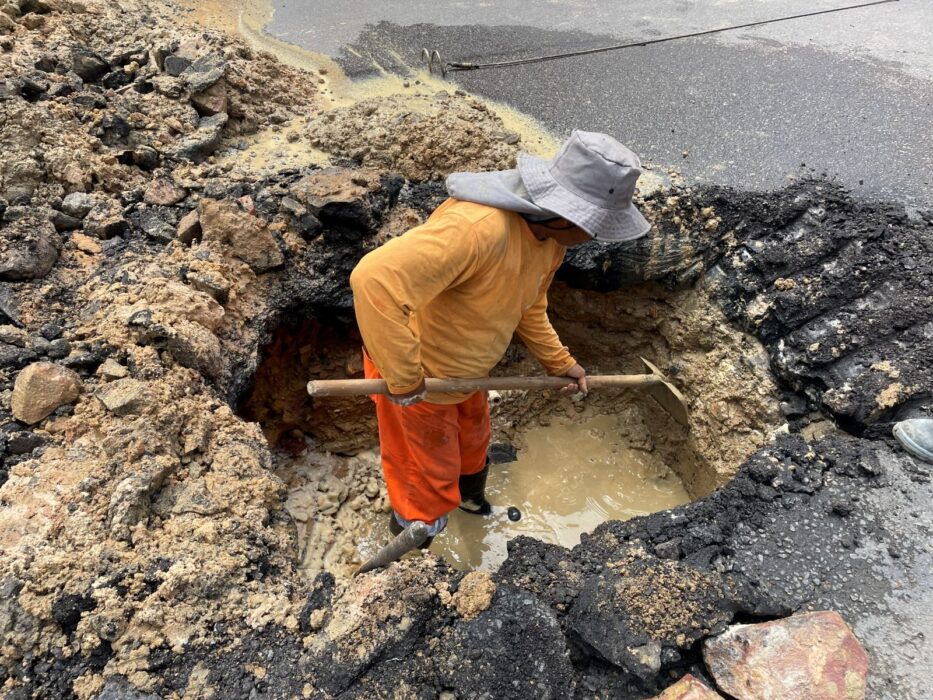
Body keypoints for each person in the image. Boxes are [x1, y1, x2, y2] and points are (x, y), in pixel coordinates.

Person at [349, 130, 651, 544]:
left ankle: (471, 503)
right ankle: (411, 564)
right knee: (425, 480)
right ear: (567, 214)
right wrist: (404, 380)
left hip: (467, 375)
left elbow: (528, 304)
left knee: (474, 446)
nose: (596, 237)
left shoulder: (549, 238)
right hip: (421, 382)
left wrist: (560, 362)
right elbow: (374, 280)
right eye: (596, 226)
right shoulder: (477, 230)